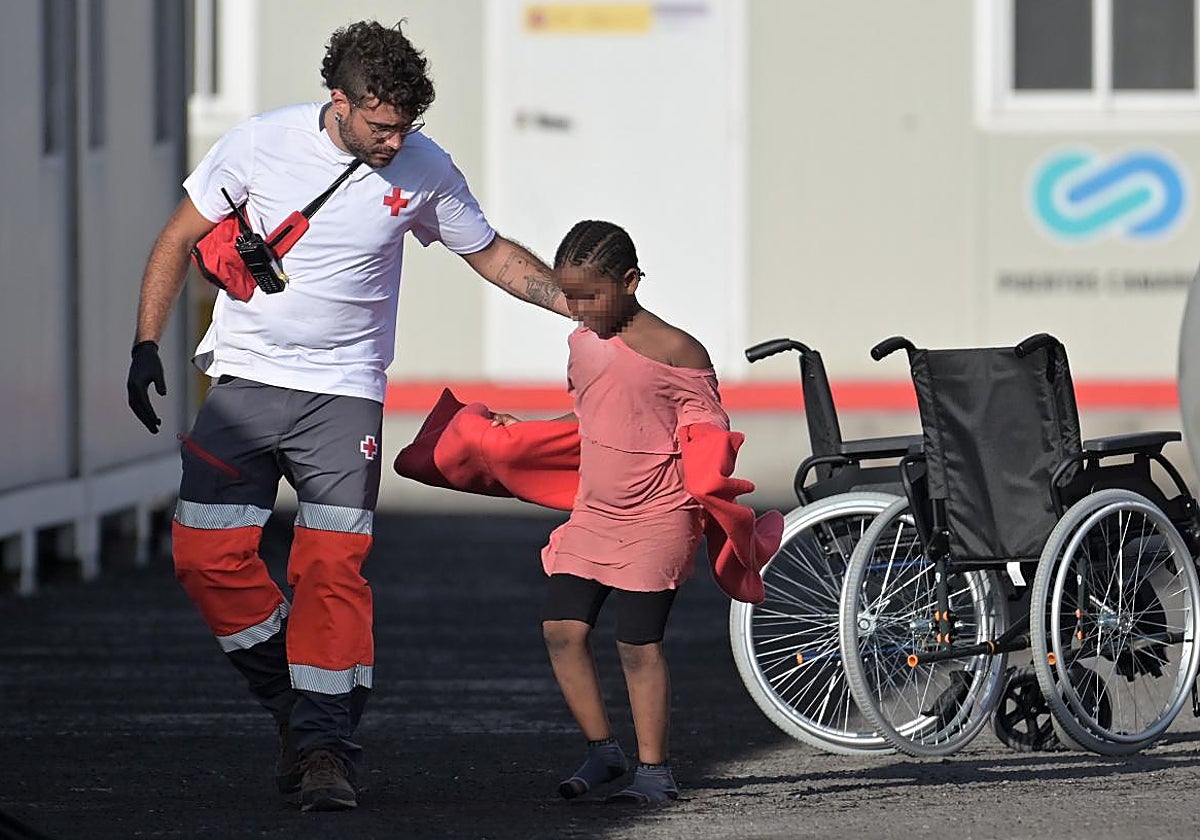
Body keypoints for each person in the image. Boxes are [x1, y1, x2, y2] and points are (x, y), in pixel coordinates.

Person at [125, 20, 568, 813]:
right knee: (205, 558)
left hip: (346, 392)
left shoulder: (425, 168)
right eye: (382, 125)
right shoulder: (259, 144)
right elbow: (175, 239)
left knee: (331, 572)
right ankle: (297, 707)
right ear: (341, 101)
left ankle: (327, 748)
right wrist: (146, 345)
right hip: (247, 384)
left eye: (407, 126)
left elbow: (491, 252)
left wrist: (577, 305)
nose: (396, 141)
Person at [487, 220, 731, 804]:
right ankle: (604, 751)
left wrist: (717, 499)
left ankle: (655, 771)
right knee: (562, 631)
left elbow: (709, 432)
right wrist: (530, 436)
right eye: (569, 296)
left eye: (590, 296)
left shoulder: (679, 350)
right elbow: (592, 416)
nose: (576, 309)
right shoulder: (582, 340)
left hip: (659, 515)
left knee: (637, 645)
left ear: (631, 281)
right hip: (595, 514)